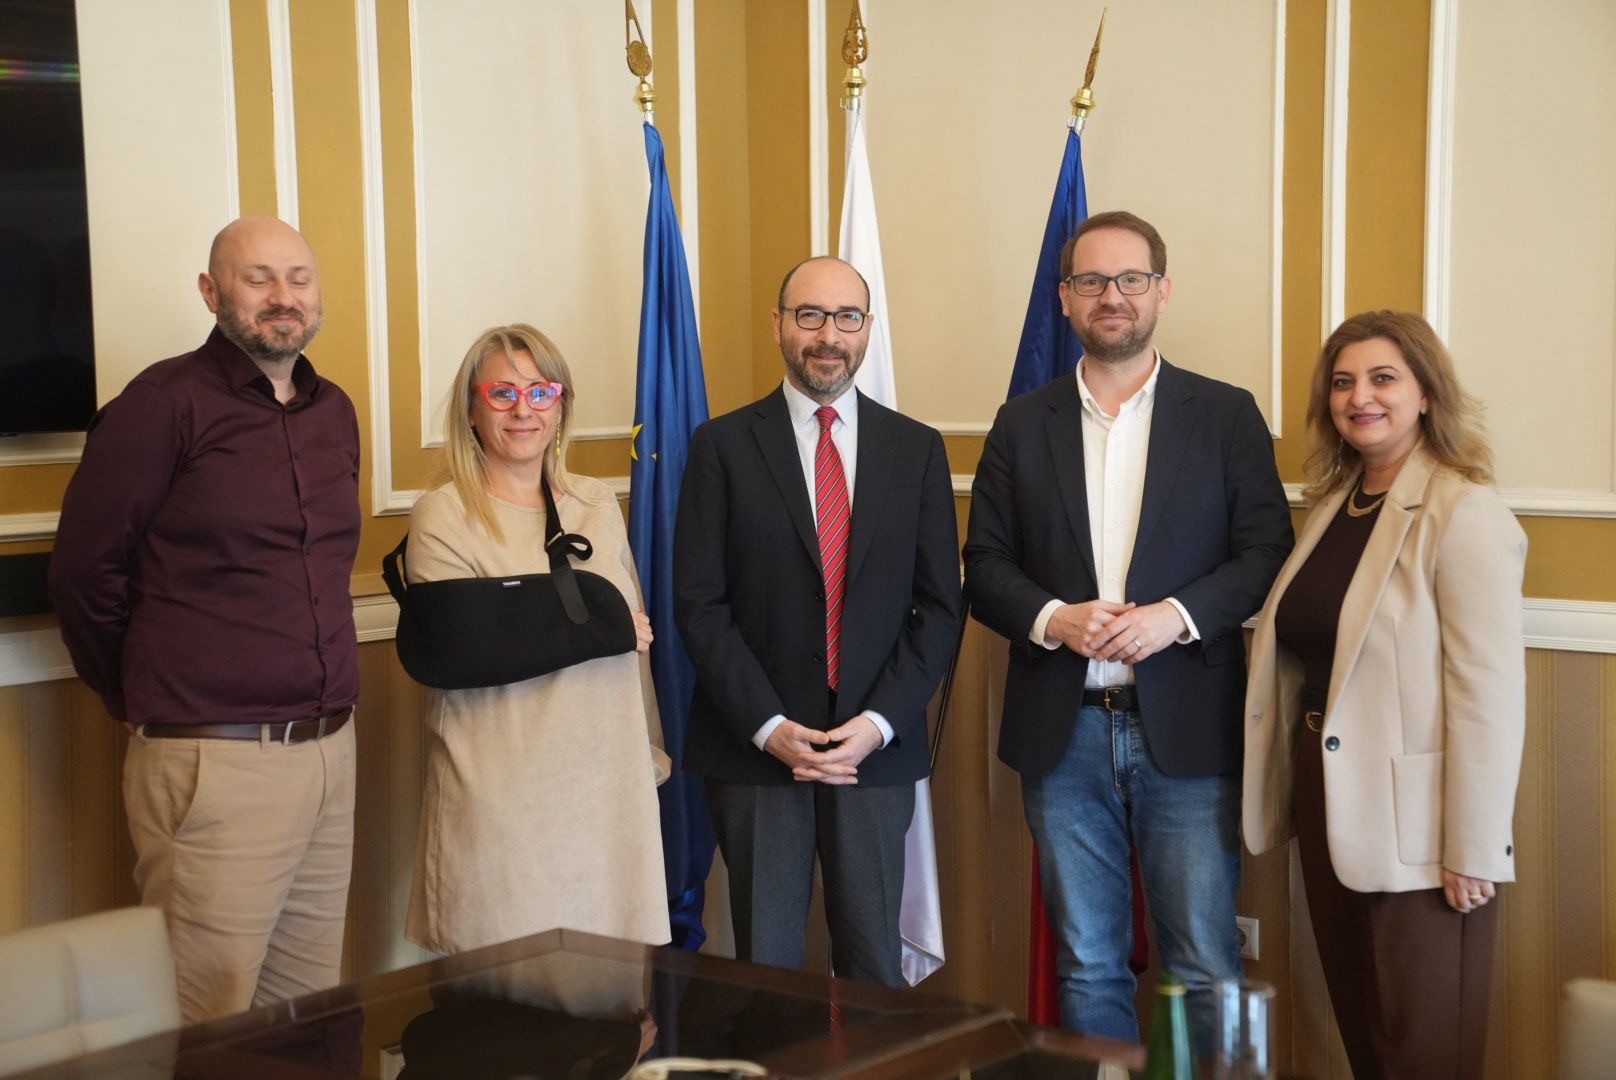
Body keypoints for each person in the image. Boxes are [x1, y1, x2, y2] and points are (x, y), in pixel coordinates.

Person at [962, 210, 1293, 1048]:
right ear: (1065, 298)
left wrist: (1172, 619)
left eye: (1130, 279)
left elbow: (1266, 552)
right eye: (1091, 281)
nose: (1112, 296)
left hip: (1188, 733)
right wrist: (1055, 619)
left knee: (1205, 960)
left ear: (1162, 291)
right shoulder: (1020, 422)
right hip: (1063, 737)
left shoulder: (1226, 415)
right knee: (1087, 964)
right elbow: (985, 565)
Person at [49, 216, 360, 1023]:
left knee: (305, 1020)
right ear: (211, 292)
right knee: (206, 1026)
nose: (283, 296)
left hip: (330, 752)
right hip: (215, 760)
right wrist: (140, 695)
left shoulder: (334, 412)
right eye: (258, 278)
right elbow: (84, 574)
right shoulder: (161, 406)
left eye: (298, 277)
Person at [1243, 310, 1525, 1077]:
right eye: (1343, 383)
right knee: (1365, 1036)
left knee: (1422, 1050)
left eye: (1382, 378)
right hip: (1330, 804)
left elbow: (1488, 696)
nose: (1359, 397)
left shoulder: (1464, 512)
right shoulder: (1335, 505)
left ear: (1426, 393)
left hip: (1425, 832)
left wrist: (1472, 846)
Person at [673, 256, 961, 988]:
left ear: (867, 328)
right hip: (757, 754)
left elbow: (938, 608)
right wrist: (769, 727)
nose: (828, 335)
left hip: (874, 753)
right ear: (778, 325)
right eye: (810, 316)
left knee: (873, 974)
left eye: (846, 317)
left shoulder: (916, 449)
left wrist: (879, 723)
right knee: (767, 975)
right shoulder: (721, 447)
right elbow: (700, 605)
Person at [403, 323, 671, 954]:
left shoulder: (595, 504)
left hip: (606, 796)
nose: (523, 409)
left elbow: (634, 651)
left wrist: (648, 753)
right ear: (471, 410)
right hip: (502, 804)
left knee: (609, 1000)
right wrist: (599, 625)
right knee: (504, 1000)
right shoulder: (443, 515)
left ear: (561, 406)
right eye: (502, 393)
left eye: (541, 392)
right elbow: (463, 652)